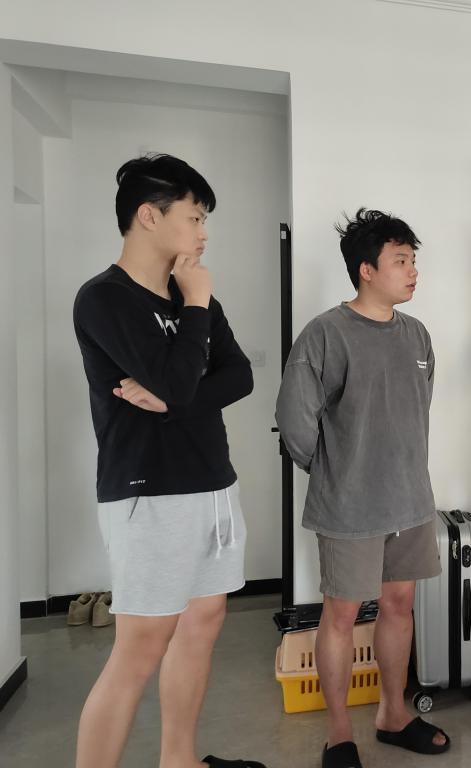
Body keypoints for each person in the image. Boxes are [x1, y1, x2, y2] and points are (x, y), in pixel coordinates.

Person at [73, 154, 261, 768]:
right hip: (148, 492)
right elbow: (183, 382)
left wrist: (175, 401)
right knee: (140, 650)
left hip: (211, 482)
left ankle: (179, 760)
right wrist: (197, 308)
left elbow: (240, 375)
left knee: (202, 623)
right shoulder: (105, 298)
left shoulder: (190, 294)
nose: (203, 232)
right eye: (195, 217)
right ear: (149, 216)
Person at [276, 208, 449, 768]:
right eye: (401, 260)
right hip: (349, 505)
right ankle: (338, 734)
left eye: (413, 260)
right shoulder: (327, 333)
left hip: (410, 500)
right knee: (342, 615)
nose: (413, 270)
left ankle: (393, 715)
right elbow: (295, 421)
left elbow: (418, 407)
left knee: (399, 605)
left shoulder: (416, 334)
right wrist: (336, 472)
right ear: (366, 269)